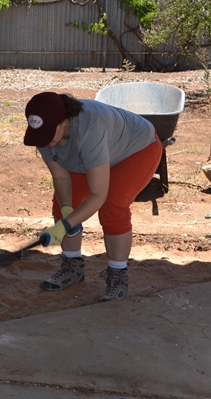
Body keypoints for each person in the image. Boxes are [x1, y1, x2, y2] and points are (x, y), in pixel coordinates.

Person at [24, 92, 163, 301]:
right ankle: (73, 267)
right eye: (40, 135)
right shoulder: (45, 133)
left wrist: (63, 227)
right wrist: (67, 213)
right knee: (63, 204)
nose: (44, 141)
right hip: (94, 155)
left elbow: (98, 195)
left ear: (64, 120)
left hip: (136, 149)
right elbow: (61, 178)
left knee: (112, 205)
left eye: (49, 133)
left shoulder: (91, 129)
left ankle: (117, 276)